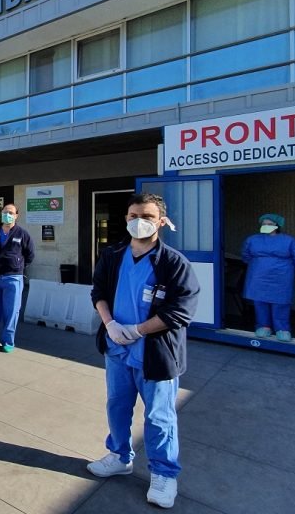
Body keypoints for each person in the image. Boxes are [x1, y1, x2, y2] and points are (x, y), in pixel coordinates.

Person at [87, 193, 200, 510]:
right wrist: (109, 324)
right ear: (125, 218)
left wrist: (137, 330)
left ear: (161, 221)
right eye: (134, 214)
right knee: (117, 405)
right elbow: (99, 292)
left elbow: (180, 311)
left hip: (155, 353)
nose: (140, 221)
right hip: (117, 350)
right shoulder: (112, 256)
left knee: (159, 417)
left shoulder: (173, 263)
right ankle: (119, 455)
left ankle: (164, 474)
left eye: (148, 216)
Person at [241, 213, 295, 342]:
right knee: (260, 301)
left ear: (277, 226)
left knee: (280, 302)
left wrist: (289, 268)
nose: (266, 226)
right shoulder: (252, 239)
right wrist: (258, 265)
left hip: (281, 276)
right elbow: (246, 255)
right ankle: (263, 326)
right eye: (264, 224)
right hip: (258, 275)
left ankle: (282, 329)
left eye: (269, 224)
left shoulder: (289, 240)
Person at [0, 203, 35, 352]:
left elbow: (29, 255)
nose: (7, 215)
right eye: (5, 212)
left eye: (11, 212)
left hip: (13, 278)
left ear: (16, 215)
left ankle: (8, 342)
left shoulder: (22, 234)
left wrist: (17, 267)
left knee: (11, 311)